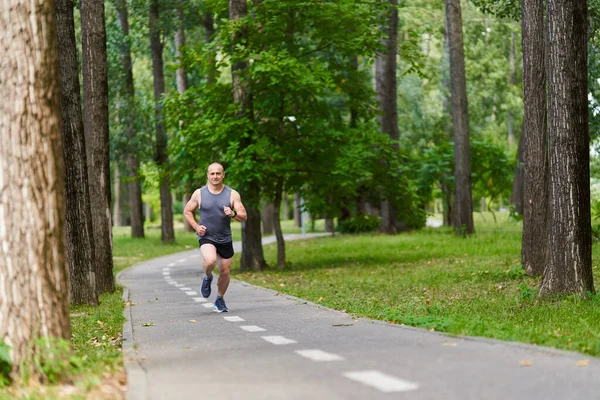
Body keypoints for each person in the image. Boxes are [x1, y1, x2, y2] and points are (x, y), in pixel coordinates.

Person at [183, 163, 247, 312]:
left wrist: (233, 214)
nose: (215, 176)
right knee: (210, 261)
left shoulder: (232, 194)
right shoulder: (199, 193)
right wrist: (197, 227)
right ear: (208, 175)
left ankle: (219, 299)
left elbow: (243, 216)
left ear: (223, 175)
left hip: (225, 238)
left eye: (218, 173)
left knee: (225, 270)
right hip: (207, 236)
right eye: (212, 174)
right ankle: (207, 276)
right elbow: (187, 211)